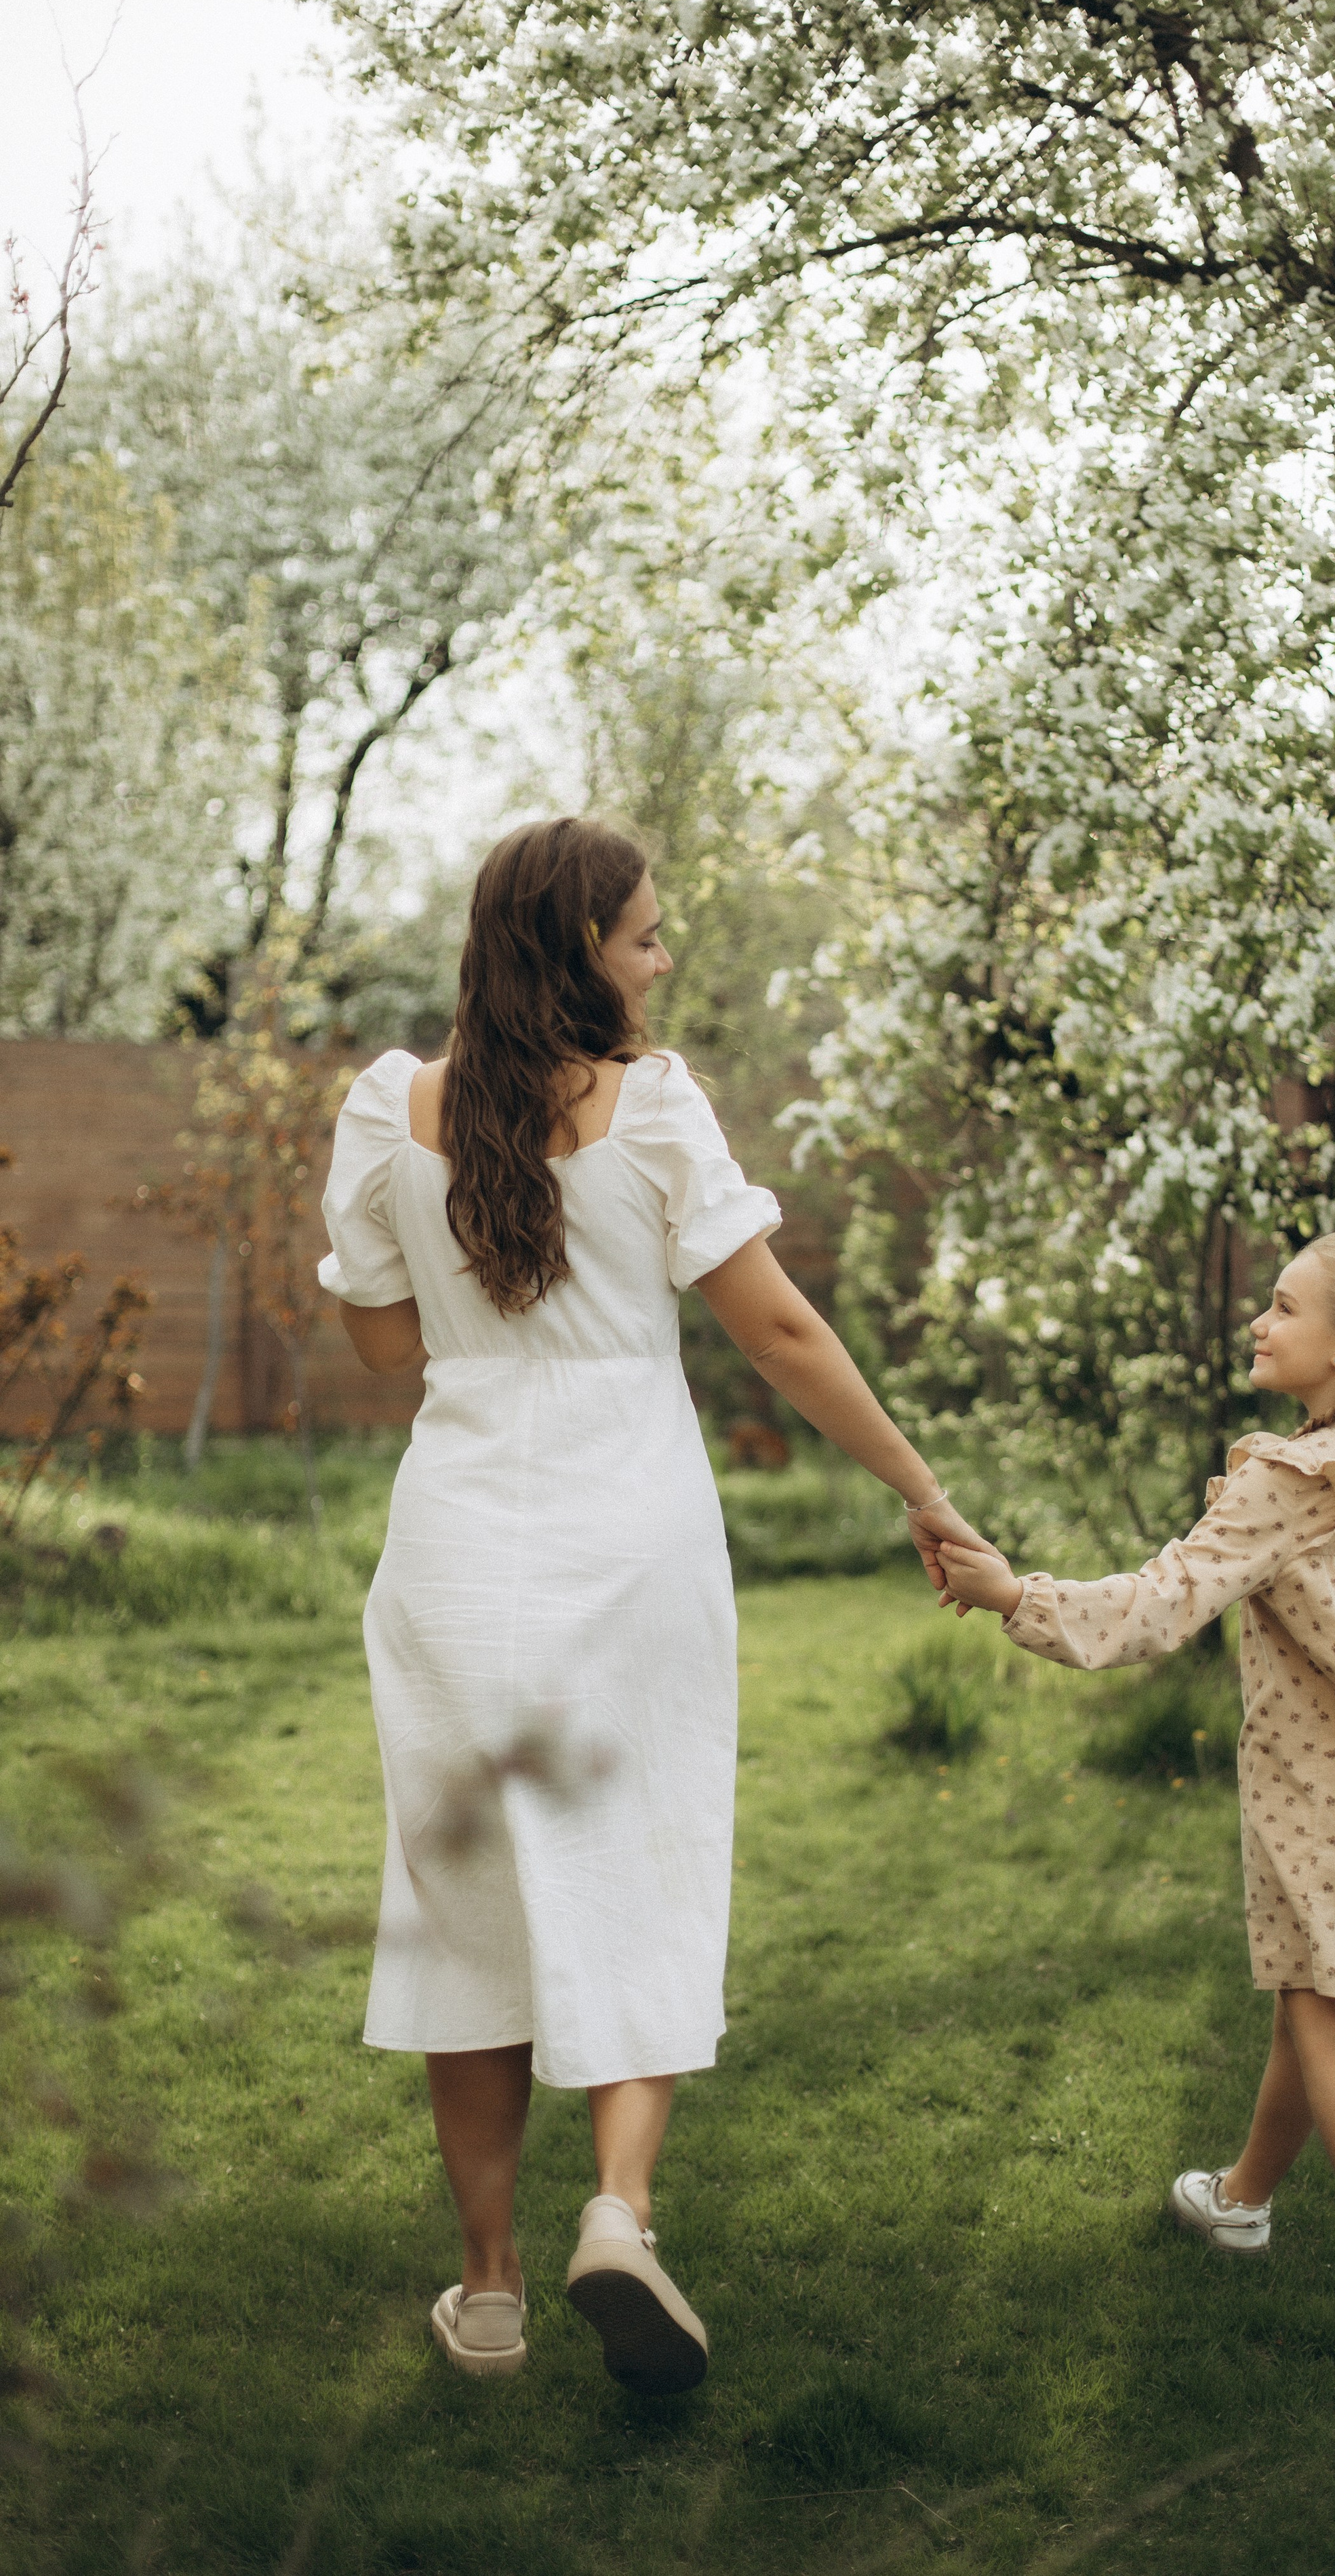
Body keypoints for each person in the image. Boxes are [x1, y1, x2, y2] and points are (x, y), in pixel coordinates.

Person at [320, 815, 989, 2390]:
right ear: (577, 952)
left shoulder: (387, 1105)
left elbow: (377, 1349)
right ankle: (618, 2210)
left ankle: (488, 2296)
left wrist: (483, 1320)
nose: (664, 956)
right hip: (630, 1535)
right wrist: (920, 1486)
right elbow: (781, 1335)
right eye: (644, 935)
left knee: (461, 1901)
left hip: (454, 1547)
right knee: (646, 1863)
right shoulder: (657, 1108)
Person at [935, 1232, 1335, 2364]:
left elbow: (1162, 1601)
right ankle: (1239, 2198)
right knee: (1315, 1991)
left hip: (1319, 1788)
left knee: (1324, 2006)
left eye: (1284, 1308)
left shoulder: (1293, 1478)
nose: (1259, 1323)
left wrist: (1012, 1594)